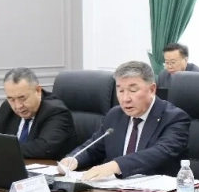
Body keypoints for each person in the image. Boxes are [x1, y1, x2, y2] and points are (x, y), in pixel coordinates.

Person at [59, 61, 190, 180]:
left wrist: (115, 166)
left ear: (152, 90)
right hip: (115, 190)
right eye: (120, 90)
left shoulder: (174, 118)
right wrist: (73, 159)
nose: (125, 98)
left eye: (133, 90)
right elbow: (94, 148)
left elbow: (160, 152)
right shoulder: (115, 115)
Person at [0, 67, 79, 159]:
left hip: (51, 169)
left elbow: (42, 148)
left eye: (22, 98)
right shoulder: (7, 108)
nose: (18, 106)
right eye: (11, 99)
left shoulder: (56, 111)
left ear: (38, 91)